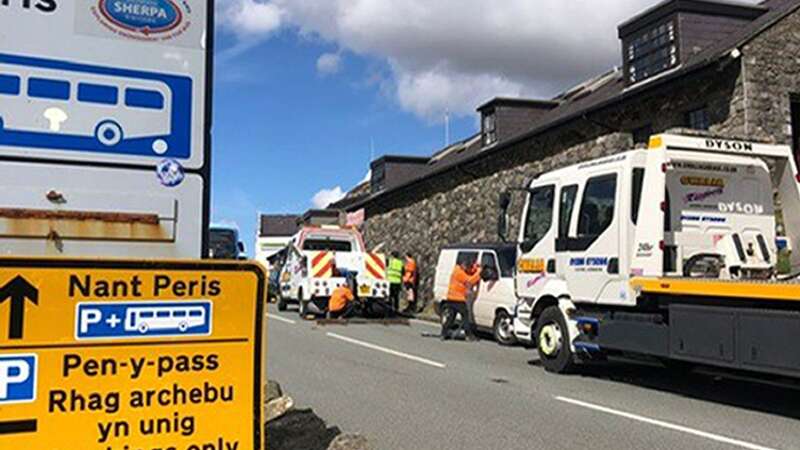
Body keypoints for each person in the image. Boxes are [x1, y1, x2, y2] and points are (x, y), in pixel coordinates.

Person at [441, 257, 481, 341]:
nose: (467, 269)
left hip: (451, 298)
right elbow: (470, 280)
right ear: (463, 265)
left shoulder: (457, 269)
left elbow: (469, 272)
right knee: (465, 316)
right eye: (467, 267)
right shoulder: (459, 273)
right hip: (458, 299)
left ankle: (443, 333)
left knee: (451, 317)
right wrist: (479, 273)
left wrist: (475, 267)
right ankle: (468, 335)